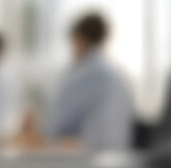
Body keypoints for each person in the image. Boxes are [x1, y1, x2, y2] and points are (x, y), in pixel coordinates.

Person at [37, 12, 132, 153]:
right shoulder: (117, 73)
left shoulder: (84, 73)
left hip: (90, 157)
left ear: (79, 39)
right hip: (120, 153)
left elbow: (53, 124)